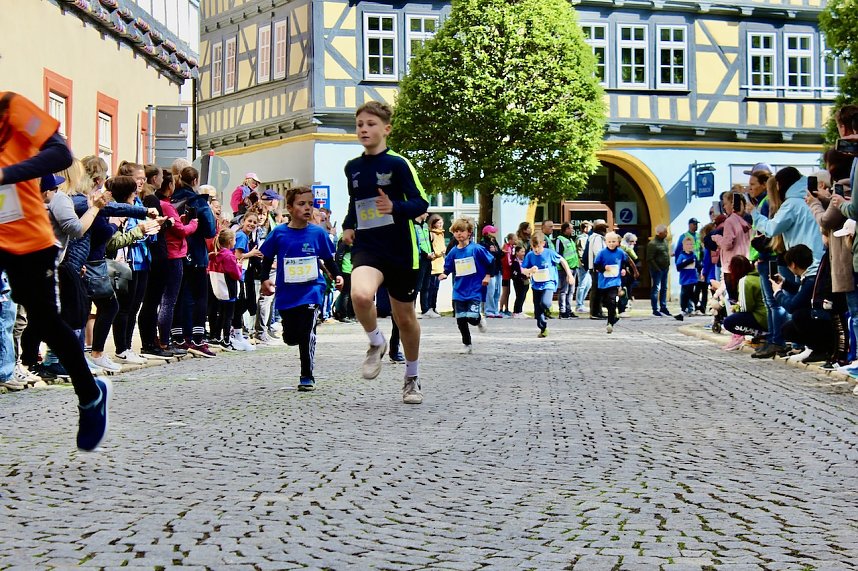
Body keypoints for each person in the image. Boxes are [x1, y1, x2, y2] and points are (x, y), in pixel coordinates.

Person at [0, 91, 109, 450]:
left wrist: (6, 174)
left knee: (45, 322)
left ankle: (89, 394)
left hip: (26, 238)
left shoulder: (10, 107)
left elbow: (61, 154)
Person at [341, 101, 429, 405]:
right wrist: (348, 225)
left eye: (370, 124)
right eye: (359, 124)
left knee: (405, 318)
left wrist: (395, 207)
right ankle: (375, 343)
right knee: (361, 296)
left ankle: (412, 378)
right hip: (368, 247)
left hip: (401, 250)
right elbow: (355, 203)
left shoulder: (398, 164)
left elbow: (421, 203)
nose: (364, 129)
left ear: (386, 129)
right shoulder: (352, 167)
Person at [260, 187, 342, 391]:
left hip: (312, 290)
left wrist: (338, 274)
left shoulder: (317, 233)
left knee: (307, 332)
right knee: (290, 337)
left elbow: (327, 258)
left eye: (310, 204)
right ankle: (291, 335)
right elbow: (267, 257)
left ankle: (307, 374)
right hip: (287, 293)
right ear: (289, 208)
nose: (307, 208)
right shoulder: (279, 233)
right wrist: (264, 279)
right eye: (301, 204)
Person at [439, 218, 494, 353]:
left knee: (471, 318)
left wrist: (487, 276)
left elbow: (491, 262)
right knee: (461, 319)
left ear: (469, 232)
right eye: (456, 231)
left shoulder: (477, 249)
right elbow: (448, 266)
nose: (459, 234)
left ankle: (479, 319)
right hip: (459, 290)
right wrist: (444, 273)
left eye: (462, 231)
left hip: (475, 289)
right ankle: (467, 344)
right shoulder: (453, 251)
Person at [521, 231, 574, 338]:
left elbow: (562, 261)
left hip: (549, 283)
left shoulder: (549, 253)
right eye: (533, 247)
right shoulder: (530, 255)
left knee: (544, 303)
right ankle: (543, 328)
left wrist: (569, 275)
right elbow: (523, 270)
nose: (536, 249)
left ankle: (547, 306)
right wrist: (530, 270)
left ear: (543, 244)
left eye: (538, 247)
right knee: (537, 312)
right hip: (536, 284)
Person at [721, 256, 768, 351]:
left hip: (760, 317)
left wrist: (736, 308)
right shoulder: (758, 277)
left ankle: (761, 333)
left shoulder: (745, 281)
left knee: (728, 323)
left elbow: (746, 307)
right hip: (768, 315)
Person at [207, 229, 242, 348]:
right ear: (230, 241)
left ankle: (217, 336)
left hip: (219, 289)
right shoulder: (228, 256)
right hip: (229, 289)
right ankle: (226, 339)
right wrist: (239, 266)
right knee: (228, 316)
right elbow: (236, 274)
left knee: (221, 314)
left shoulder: (215, 255)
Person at [592, 232, 629, 334]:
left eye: (613, 242)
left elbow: (624, 263)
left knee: (612, 300)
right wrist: (604, 268)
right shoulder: (602, 253)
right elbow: (596, 266)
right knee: (605, 302)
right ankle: (614, 316)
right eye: (609, 242)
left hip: (615, 281)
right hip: (603, 281)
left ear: (617, 242)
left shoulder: (621, 253)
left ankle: (610, 323)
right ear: (606, 242)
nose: (611, 244)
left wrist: (623, 270)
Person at [673, 236, 702, 320]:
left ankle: (695, 305)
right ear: (684, 246)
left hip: (692, 278)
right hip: (684, 278)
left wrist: (701, 271)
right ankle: (689, 308)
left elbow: (698, 265)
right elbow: (678, 267)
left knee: (689, 292)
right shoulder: (682, 256)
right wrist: (688, 261)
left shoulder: (694, 255)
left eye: (691, 244)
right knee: (685, 295)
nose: (690, 246)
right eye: (688, 244)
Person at [555, 222, 580, 318]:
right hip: (564, 269)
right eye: (571, 228)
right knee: (564, 290)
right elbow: (558, 255)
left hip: (573, 268)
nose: (572, 230)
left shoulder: (571, 240)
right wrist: (564, 269)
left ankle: (569, 310)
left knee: (571, 291)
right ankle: (563, 311)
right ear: (566, 229)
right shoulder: (560, 240)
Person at [645, 224, 671, 316]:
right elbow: (649, 258)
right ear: (660, 233)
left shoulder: (664, 241)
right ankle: (655, 309)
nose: (666, 234)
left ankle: (663, 307)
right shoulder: (653, 244)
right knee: (656, 288)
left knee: (664, 288)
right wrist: (657, 268)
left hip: (665, 268)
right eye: (665, 232)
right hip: (657, 270)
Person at [585, 221, 608, 318]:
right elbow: (598, 252)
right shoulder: (597, 238)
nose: (605, 230)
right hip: (597, 268)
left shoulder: (598, 237)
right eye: (603, 228)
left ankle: (598, 311)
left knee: (599, 290)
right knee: (597, 290)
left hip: (597, 268)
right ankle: (595, 312)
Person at [479, 224, 503, 317]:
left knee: (497, 291)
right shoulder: (483, 244)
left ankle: (495, 310)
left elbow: (500, 254)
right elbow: (487, 256)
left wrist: (496, 252)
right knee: (490, 291)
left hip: (497, 269)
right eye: (492, 232)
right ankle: (488, 310)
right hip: (489, 270)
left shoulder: (495, 242)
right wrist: (494, 252)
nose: (495, 233)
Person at [426, 214, 446, 318]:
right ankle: (428, 307)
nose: (440, 224)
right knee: (431, 287)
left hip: (440, 264)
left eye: (441, 222)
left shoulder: (441, 234)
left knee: (436, 288)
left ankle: (434, 307)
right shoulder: (431, 234)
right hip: (433, 264)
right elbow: (431, 248)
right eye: (438, 222)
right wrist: (438, 253)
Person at [575, 221, 593, 314]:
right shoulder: (582, 238)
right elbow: (581, 251)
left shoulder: (587, 237)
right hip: (583, 264)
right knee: (582, 284)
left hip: (587, 264)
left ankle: (581, 303)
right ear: (585, 228)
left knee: (588, 284)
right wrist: (583, 262)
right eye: (590, 227)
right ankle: (579, 305)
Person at [510, 245, 529, 318]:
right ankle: (516, 311)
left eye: (524, 252)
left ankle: (520, 311)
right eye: (522, 252)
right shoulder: (515, 262)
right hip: (519, 281)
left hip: (525, 281)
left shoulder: (525, 261)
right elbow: (515, 273)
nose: (523, 253)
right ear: (517, 253)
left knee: (523, 296)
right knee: (519, 296)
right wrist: (522, 276)